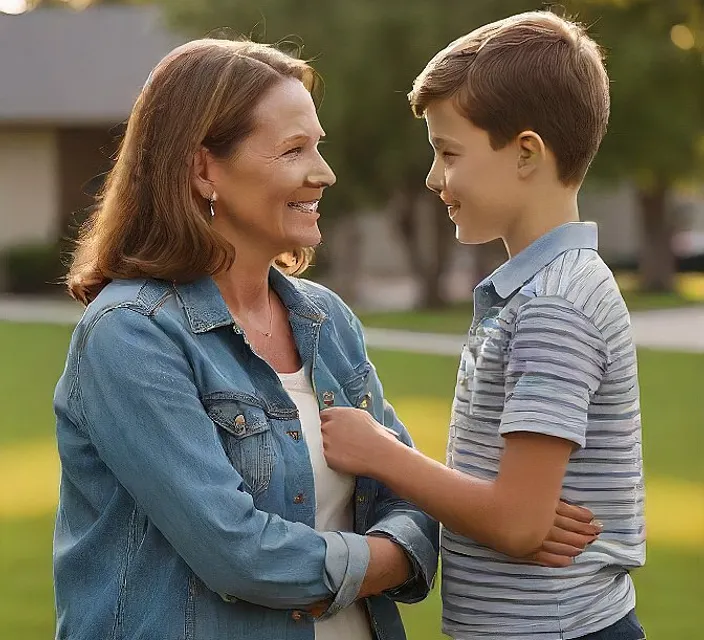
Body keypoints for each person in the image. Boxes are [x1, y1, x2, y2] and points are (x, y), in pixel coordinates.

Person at [54, 37, 599, 640]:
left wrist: (441, 526)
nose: (324, 173)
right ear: (204, 169)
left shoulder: (325, 321)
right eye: (293, 150)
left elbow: (408, 497)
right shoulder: (132, 335)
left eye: (319, 147)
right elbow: (241, 555)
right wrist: (399, 556)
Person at [321, 11, 646, 640]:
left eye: (448, 153)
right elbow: (519, 511)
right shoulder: (538, 290)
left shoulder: (555, 304)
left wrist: (380, 454)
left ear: (526, 152)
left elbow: (520, 525)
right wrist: (504, 510)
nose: (433, 179)